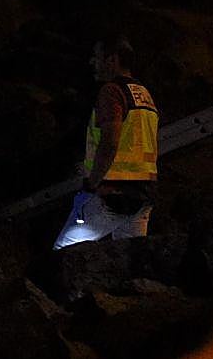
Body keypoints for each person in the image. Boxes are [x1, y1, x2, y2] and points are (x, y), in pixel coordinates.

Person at [54, 35, 160, 249]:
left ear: (112, 60)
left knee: (62, 253)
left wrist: (92, 182)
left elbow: (111, 140)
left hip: (112, 193)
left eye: (97, 57)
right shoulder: (144, 94)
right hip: (143, 195)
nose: (92, 62)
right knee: (129, 258)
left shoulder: (111, 91)